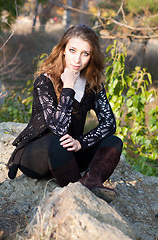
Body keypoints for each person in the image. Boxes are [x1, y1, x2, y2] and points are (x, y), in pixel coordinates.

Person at [7, 24, 123, 203]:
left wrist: (80, 143)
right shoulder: (44, 80)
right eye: (72, 50)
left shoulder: (92, 84)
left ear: (92, 56)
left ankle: (91, 181)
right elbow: (58, 128)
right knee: (58, 141)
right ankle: (79, 190)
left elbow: (109, 124)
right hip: (37, 155)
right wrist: (68, 86)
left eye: (85, 54)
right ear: (62, 50)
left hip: (68, 155)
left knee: (114, 142)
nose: (77, 59)